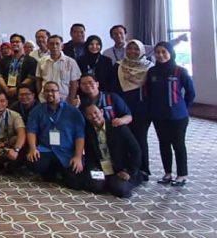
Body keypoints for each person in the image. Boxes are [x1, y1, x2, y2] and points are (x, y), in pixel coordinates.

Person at [145, 42, 195, 186]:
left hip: (178, 116)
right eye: (157, 52)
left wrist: (183, 108)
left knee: (178, 145)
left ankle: (181, 175)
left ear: (171, 53)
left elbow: (191, 93)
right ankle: (167, 173)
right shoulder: (152, 72)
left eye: (164, 52)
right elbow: (149, 92)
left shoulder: (180, 71)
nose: (160, 55)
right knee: (164, 144)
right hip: (159, 116)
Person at [25, 81, 87, 190]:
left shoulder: (73, 111)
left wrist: (78, 157)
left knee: (75, 183)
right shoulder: (37, 110)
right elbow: (31, 130)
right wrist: (33, 148)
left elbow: (80, 136)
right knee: (33, 162)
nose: (50, 93)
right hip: (46, 149)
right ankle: (52, 171)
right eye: (47, 91)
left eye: (53, 91)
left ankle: (61, 171)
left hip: (66, 152)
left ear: (59, 93)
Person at [82, 105, 142, 198]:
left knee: (120, 189)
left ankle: (119, 181)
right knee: (94, 185)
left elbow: (136, 151)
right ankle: (108, 182)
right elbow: (89, 155)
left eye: (95, 112)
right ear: (86, 117)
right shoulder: (88, 131)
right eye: (90, 115)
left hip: (121, 169)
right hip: (102, 169)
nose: (93, 116)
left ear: (101, 112)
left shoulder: (118, 127)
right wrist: (94, 169)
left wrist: (129, 171)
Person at [114, 39, 154, 178]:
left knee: (140, 138)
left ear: (142, 51)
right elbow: (114, 88)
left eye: (136, 49)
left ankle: (142, 168)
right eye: (129, 48)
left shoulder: (149, 68)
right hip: (122, 109)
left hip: (142, 110)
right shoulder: (118, 66)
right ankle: (126, 168)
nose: (132, 51)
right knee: (123, 139)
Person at [35, 35, 81, 102]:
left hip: (64, 99)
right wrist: (40, 95)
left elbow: (74, 83)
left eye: (57, 44)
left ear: (62, 46)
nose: (54, 46)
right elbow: (38, 80)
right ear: (47, 46)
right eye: (51, 44)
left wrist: (70, 100)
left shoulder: (71, 62)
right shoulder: (41, 61)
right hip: (45, 99)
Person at [0, 34, 38, 100]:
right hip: (6, 93)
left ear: (23, 44)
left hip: (24, 94)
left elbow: (30, 78)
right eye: (12, 42)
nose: (14, 44)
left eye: (17, 42)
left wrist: (17, 89)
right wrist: (6, 89)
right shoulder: (3, 60)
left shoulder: (31, 60)